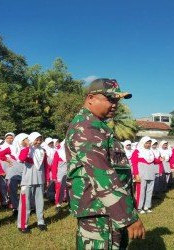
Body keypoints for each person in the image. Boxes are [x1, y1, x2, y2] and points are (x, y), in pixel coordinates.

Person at [65, 78, 145, 249]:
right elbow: (102, 174)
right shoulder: (86, 127)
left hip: (107, 209)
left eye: (117, 100)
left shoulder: (97, 125)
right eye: (110, 99)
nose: (115, 104)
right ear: (91, 98)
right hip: (100, 211)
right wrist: (128, 217)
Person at [17, 132, 48, 233]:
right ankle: (23, 225)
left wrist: (46, 179)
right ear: (31, 139)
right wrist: (27, 147)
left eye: (40, 139)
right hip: (27, 181)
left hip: (39, 180)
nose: (38, 142)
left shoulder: (43, 151)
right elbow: (21, 159)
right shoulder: (26, 150)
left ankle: (41, 222)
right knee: (25, 204)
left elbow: (45, 166)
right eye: (36, 139)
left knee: (40, 202)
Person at [51, 140, 69, 211]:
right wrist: (54, 176)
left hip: (69, 173)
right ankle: (58, 204)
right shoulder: (58, 153)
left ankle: (70, 203)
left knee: (69, 188)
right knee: (59, 189)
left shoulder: (71, 153)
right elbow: (54, 165)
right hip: (60, 175)